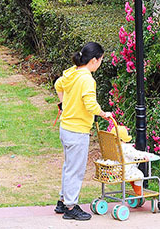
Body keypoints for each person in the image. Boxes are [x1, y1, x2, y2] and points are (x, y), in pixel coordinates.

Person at [53, 42, 113, 221]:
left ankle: (63, 201)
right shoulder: (87, 79)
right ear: (94, 60)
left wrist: (64, 105)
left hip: (66, 128)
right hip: (77, 130)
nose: (100, 63)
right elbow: (90, 104)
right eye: (101, 60)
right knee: (76, 169)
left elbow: (58, 85)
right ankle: (71, 207)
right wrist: (104, 114)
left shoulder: (72, 72)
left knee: (69, 166)